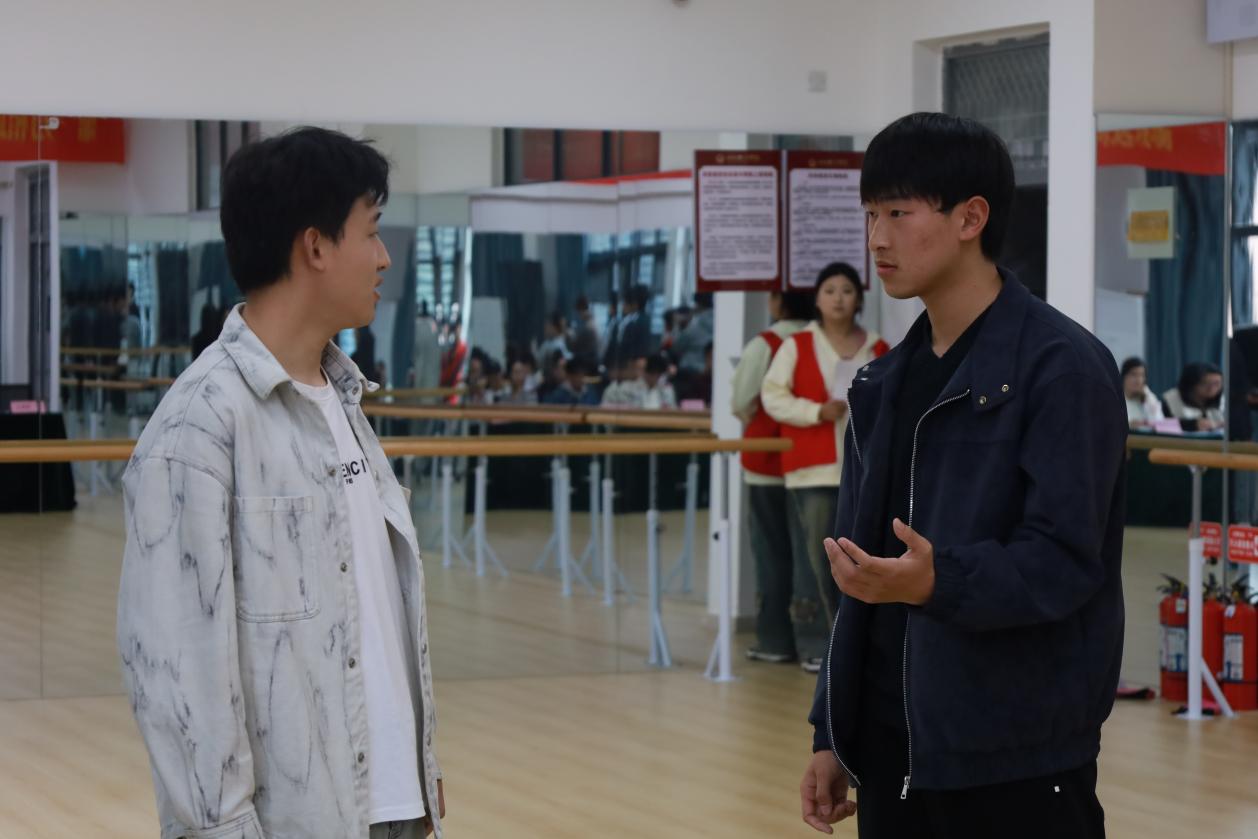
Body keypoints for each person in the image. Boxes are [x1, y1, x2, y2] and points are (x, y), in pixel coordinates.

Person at [799, 113, 1125, 839]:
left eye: (898, 213)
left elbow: (1065, 559)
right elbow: (857, 576)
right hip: (888, 746)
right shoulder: (881, 382)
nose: (876, 239)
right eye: (870, 213)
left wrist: (937, 581)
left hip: (1017, 755)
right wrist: (831, 729)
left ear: (971, 218)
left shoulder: (1063, 370)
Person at [116, 127, 445, 839]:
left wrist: (418, 773)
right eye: (372, 231)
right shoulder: (200, 427)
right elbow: (176, 675)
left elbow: (375, 617)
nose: (384, 257)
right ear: (315, 246)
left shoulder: (343, 400)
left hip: (391, 809)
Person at [762, 263, 889, 674]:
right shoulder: (797, 344)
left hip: (865, 472)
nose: (838, 298)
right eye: (830, 290)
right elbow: (772, 396)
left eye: (847, 290)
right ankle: (815, 641)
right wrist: (816, 411)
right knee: (814, 558)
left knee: (863, 555)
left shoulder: (878, 346)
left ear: (859, 299)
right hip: (812, 469)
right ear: (816, 299)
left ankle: (857, 641)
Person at [731, 289, 814, 663]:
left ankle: (775, 638)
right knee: (809, 554)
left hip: (766, 462)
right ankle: (813, 639)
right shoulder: (822, 341)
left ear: (779, 302)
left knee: (770, 552)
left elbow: (741, 400)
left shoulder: (765, 344)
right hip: (812, 460)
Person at [1163, 361, 1224, 431]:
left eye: (1217, 384)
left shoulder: (1223, 400)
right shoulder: (1171, 399)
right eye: (1205, 383)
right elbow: (1161, 424)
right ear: (1191, 383)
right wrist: (1191, 425)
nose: (1211, 388)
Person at [1120, 356, 1164, 429]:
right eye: (1134, 375)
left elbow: (1160, 424)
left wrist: (1147, 398)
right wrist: (1129, 425)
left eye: (1142, 375)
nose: (1139, 380)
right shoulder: (1116, 398)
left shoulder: (1147, 396)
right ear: (1124, 376)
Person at [569, 295, 600, 368]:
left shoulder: (589, 326)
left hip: (589, 363)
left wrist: (570, 335)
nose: (579, 315)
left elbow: (576, 346)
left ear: (581, 310)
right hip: (591, 360)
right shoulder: (591, 322)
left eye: (579, 312)